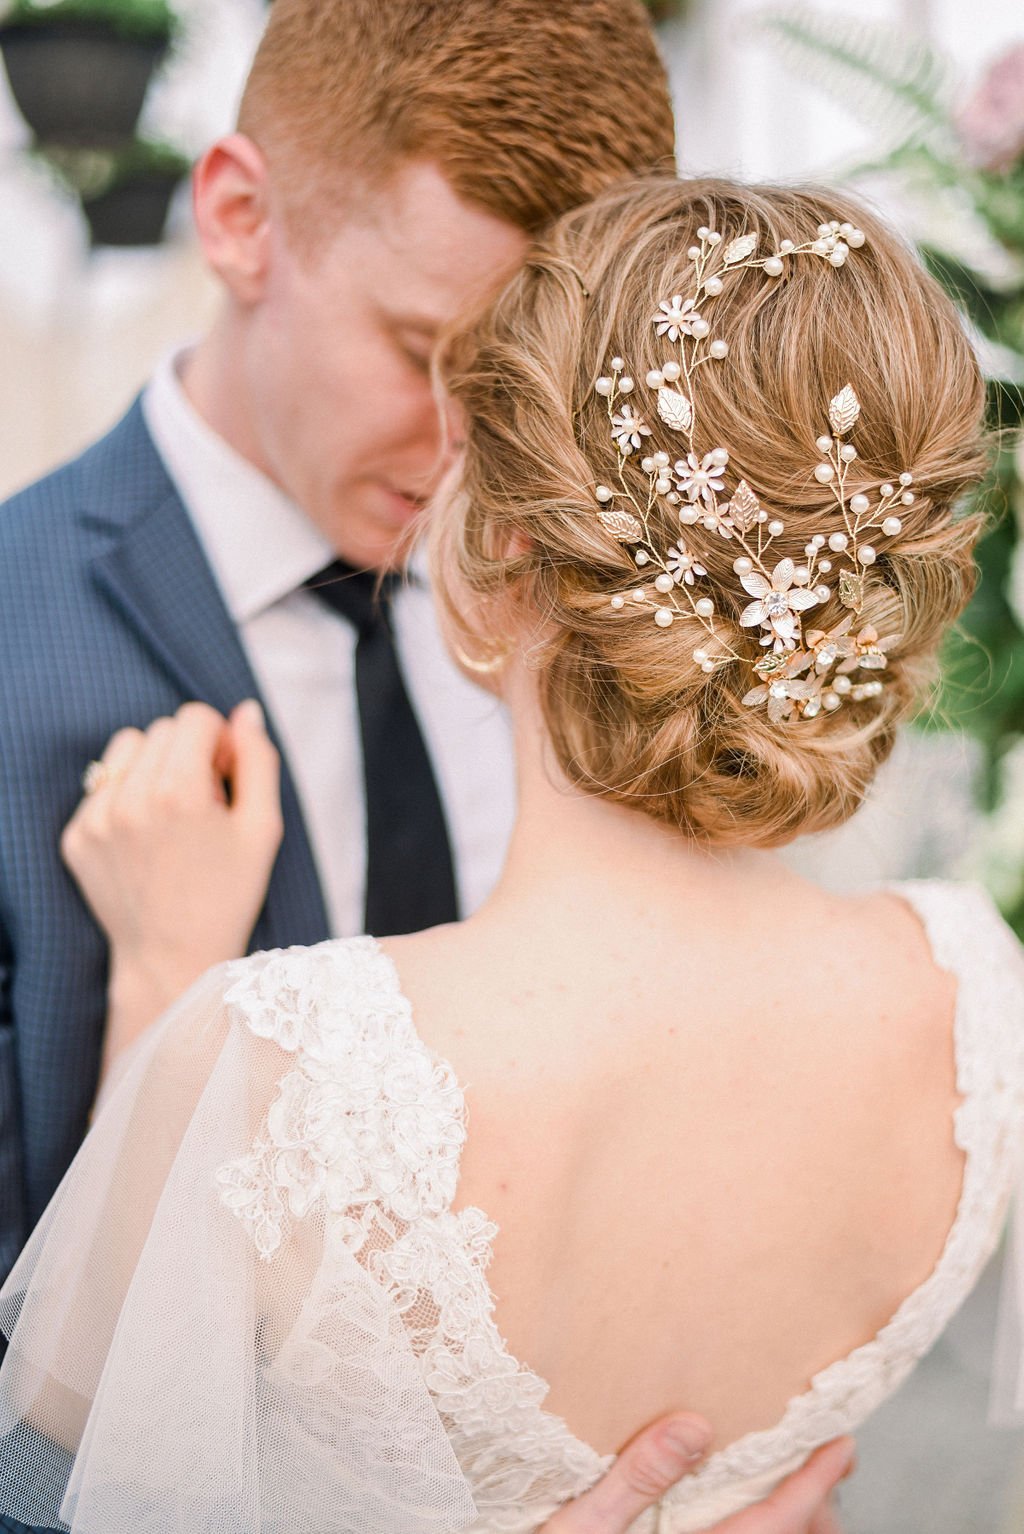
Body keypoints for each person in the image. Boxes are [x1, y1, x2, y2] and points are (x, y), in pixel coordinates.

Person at [1, 173, 1019, 1533]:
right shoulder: (972, 996)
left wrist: (164, 984)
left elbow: (67, 1485)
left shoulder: (273, 1069)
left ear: (501, 553)